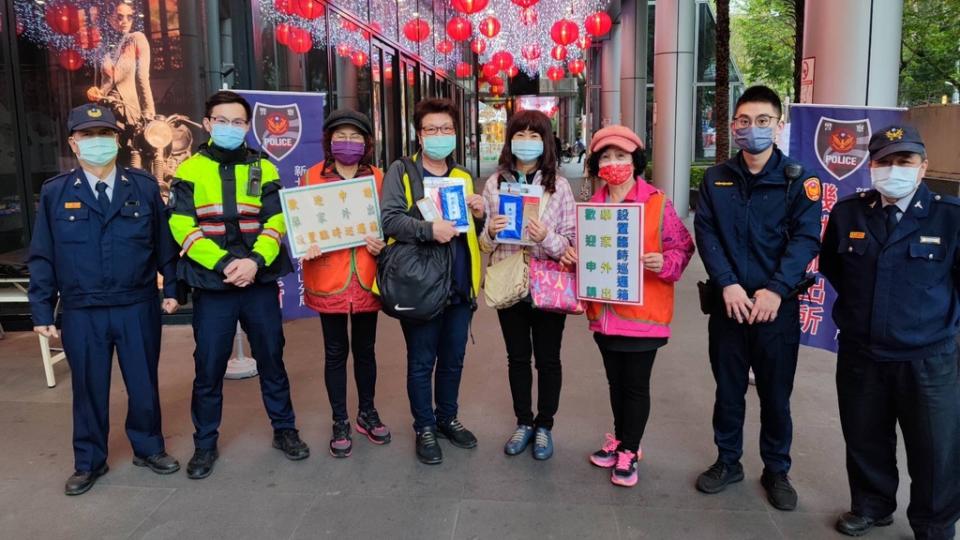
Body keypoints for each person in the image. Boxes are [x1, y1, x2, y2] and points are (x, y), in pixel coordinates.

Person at [28, 104, 180, 495]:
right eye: (88, 135)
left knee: (143, 382)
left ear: (117, 139)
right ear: (73, 144)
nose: (97, 142)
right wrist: (42, 309)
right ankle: (88, 461)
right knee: (88, 388)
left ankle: (149, 447)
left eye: (105, 134)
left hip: (137, 304)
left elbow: (165, 245)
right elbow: (43, 255)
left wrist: (174, 290)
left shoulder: (143, 187)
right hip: (82, 309)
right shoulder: (56, 193)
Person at [820, 125, 960, 539]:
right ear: (871, 166)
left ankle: (934, 524)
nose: (893, 170)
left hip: (928, 358)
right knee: (865, 438)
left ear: (922, 167)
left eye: (904, 161)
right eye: (884, 162)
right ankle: (872, 505)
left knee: (935, 449)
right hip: (862, 352)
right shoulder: (849, 213)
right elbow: (835, 269)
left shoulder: (949, 217)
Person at [169, 91, 309, 479]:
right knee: (209, 367)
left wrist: (253, 262)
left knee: (272, 360)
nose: (230, 128)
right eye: (222, 120)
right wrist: (227, 263)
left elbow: (276, 220)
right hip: (213, 284)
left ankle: (285, 430)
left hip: (258, 280)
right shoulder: (189, 170)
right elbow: (182, 225)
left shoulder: (264, 167)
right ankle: (205, 445)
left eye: (238, 122)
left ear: (247, 126)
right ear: (208, 124)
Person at [693, 85, 821, 510]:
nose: (753, 129)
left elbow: (806, 240)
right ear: (733, 126)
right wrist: (727, 283)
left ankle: (776, 469)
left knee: (775, 394)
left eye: (763, 121)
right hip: (728, 305)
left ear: (778, 126)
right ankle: (728, 461)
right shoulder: (716, 178)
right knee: (728, 390)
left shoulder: (799, 181)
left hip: (775, 311)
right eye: (744, 121)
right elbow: (707, 233)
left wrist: (776, 291)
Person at [559, 125, 695, 487]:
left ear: (636, 161)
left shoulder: (656, 203)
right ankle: (622, 440)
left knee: (635, 385)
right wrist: (573, 256)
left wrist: (662, 263)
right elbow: (585, 254)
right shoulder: (592, 208)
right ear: (596, 164)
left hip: (643, 315)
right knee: (616, 383)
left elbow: (682, 247)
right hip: (604, 316)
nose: (613, 162)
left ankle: (630, 451)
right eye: (605, 156)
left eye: (621, 155)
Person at [379, 98, 485, 465]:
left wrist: (479, 214)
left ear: (456, 134)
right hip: (421, 286)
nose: (440, 136)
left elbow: (469, 232)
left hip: (458, 285)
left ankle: (447, 418)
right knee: (422, 361)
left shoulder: (462, 176)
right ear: (419, 134)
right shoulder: (403, 171)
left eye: (447, 129)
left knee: (453, 359)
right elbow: (390, 220)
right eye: (432, 129)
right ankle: (424, 425)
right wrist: (428, 229)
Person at [480, 110, 576, 461]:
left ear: (546, 141)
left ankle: (545, 425)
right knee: (517, 357)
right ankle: (523, 422)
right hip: (509, 280)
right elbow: (483, 244)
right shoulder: (495, 183)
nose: (526, 141)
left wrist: (545, 237)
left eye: (534, 135)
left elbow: (569, 244)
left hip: (549, 284)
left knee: (548, 359)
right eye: (520, 134)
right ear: (510, 140)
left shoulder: (560, 186)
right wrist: (489, 231)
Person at [301, 109, 390, 458]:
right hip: (329, 277)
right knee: (335, 352)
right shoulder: (311, 177)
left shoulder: (380, 178)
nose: (348, 143)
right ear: (329, 140)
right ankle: (339, 418)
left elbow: (391, 221)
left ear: (367, 143)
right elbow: (301, 220)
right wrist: (304, 240)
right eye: (342, 136)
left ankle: (366, 412)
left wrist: (385, 242)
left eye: (356, 137)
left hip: (367, 277)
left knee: (366, 351)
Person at [87, 0, 155, 169]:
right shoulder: (102, 48)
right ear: (110, 18)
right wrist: (94, 92)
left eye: (129, 17)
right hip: (106, 113)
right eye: (119, 16)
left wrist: (149, 113)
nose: (124, 21)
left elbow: (142, 78)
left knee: (134, 160)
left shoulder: (137, 39)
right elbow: (99, 86)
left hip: (129, 113)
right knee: (109, 164)